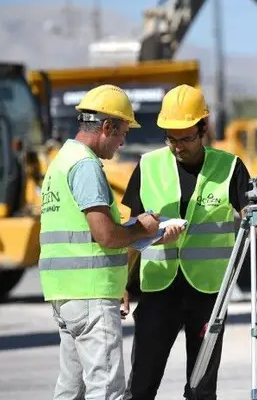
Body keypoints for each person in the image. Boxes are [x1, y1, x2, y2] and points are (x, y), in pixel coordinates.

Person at [38, 84, 184, 400]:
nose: (122, 142)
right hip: (91, 294)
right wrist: (142, 228)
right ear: (107, 127)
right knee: (107, 390)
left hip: (66, 293)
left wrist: (146, 234)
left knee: (71, 390)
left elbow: (86, 235)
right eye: (122, 133)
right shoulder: (87, 166)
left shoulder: (62, 161)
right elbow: (106, 236)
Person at [121, 84, 257, 400]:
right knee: (140, 387)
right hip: (157, 290)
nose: (179, 146)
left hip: (208, 294)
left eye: (186, 138)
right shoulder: (148, 166)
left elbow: (249, 212)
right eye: (172, 138)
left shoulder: (230, 167)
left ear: (204, 128)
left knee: (201, 391)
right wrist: (122, 284)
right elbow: (130, 232)